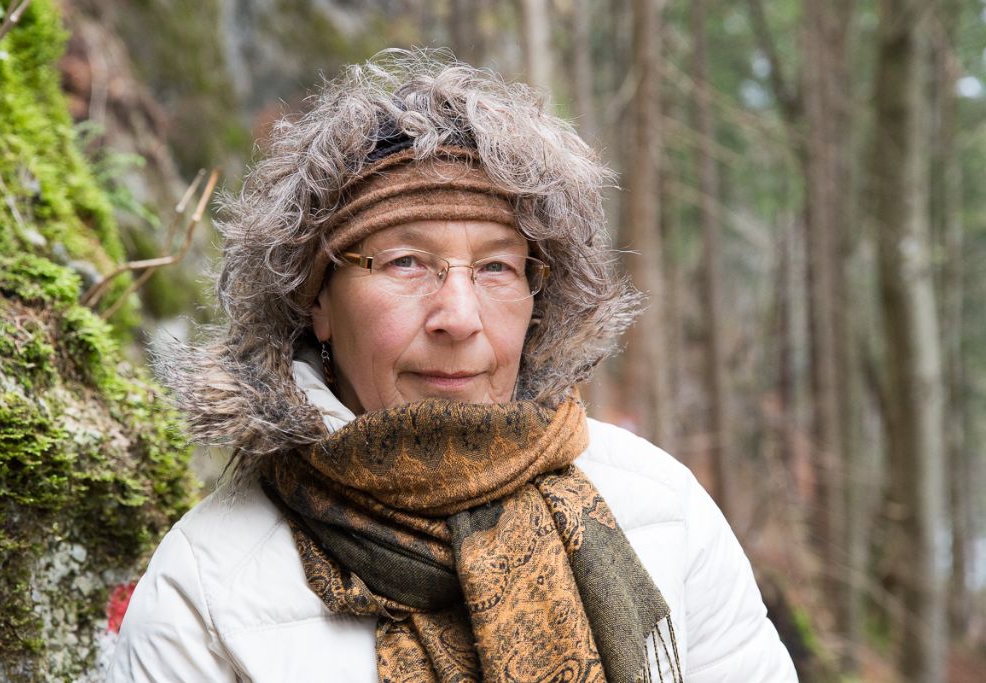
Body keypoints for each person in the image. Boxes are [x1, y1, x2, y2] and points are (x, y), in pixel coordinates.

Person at [108, 50, 798, 682]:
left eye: (497, 266)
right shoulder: (205, 589)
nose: (459, 316)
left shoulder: (661, 512)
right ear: (315, 298)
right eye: (406, 262)